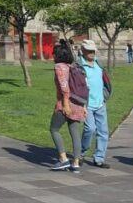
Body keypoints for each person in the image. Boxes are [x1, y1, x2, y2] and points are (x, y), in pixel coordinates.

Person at [50, 41, 86, 173]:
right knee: (75, 133)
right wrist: (84, 106)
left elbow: (64, 87)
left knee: (54, 129)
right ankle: (76, 163)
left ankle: (63, 159)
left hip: (66, 103)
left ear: (57, 55)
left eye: (54, 54)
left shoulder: (60, 67)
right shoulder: (73, 66)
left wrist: (65, 104)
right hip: (78, 103)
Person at [79, 40, 111, 169]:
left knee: (103, 132)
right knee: (90, 129)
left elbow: (105, 81)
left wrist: (105, 95)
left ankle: (99, 159)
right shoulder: (79, 66)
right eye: (89, 50)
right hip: (86, 104)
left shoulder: (98, 63)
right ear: (83, 50)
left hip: (100, 103)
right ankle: (81, 153)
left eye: (93, 50)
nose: (92, 53)